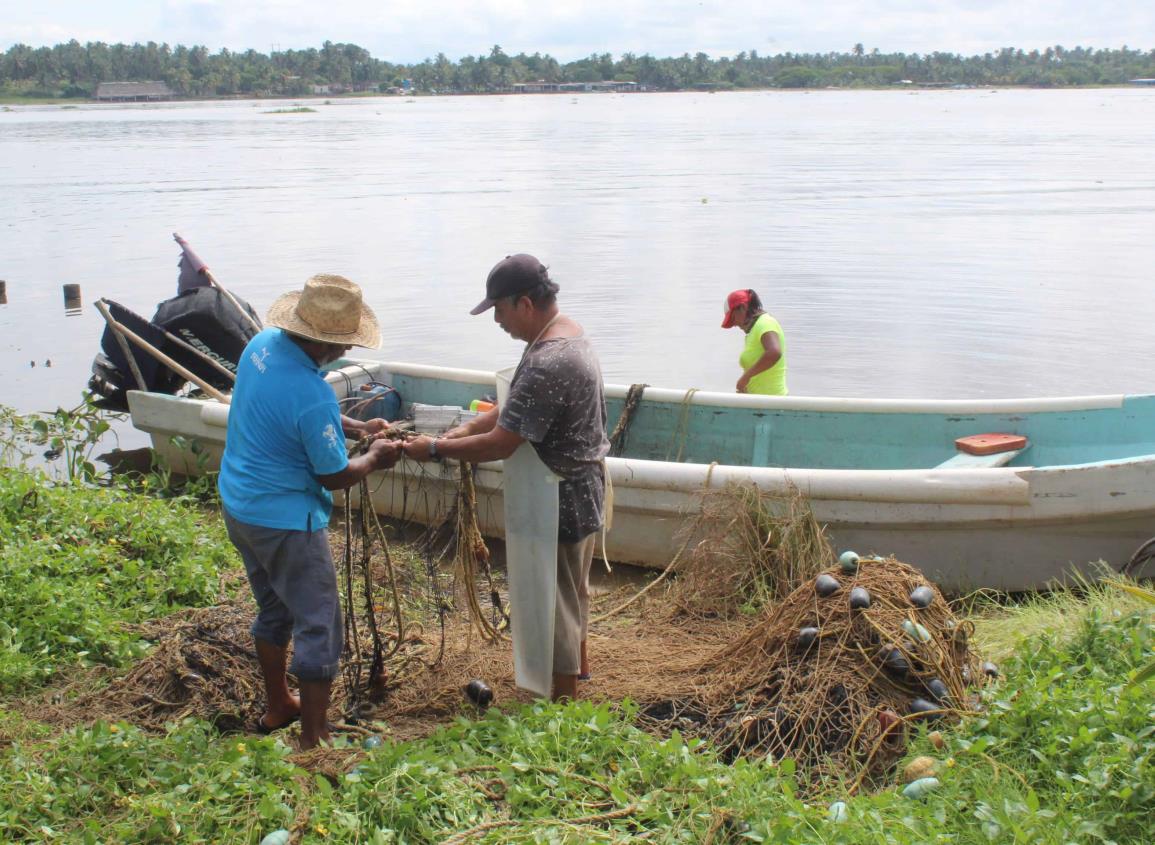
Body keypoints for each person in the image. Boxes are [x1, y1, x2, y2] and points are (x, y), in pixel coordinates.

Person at [402, 254, 609, 701]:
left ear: (525, 303)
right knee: (574, 592)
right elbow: (514, 406)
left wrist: (436, 448)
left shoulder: (546, 361)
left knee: (556, 602)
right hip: (586, 484)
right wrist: (467, 428)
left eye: (499, 309)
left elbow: (502, 443)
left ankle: (564, 701)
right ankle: (580, 671)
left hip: (558, 494)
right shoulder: (567, 335)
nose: (497, 320)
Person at [218, 274, 402, 749]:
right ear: (327, 343)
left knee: (274, 607)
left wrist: (357, 425)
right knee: (320, 620)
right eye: (343, 347)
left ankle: (279, 705)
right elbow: (334, 475)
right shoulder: (311, 392)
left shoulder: (261, 345)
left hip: (241, 506)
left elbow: (297, 411)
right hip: (286, 523)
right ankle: (313, 739)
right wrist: (375, 456)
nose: (344, 355)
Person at [721, 289, 788, 395]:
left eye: (733, 318)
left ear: (743, 308)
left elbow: (774, 352)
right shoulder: (753, 330)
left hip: (772, 401)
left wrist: (745, 377)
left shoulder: (765, 323)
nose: (734, 324)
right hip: (758, 401)